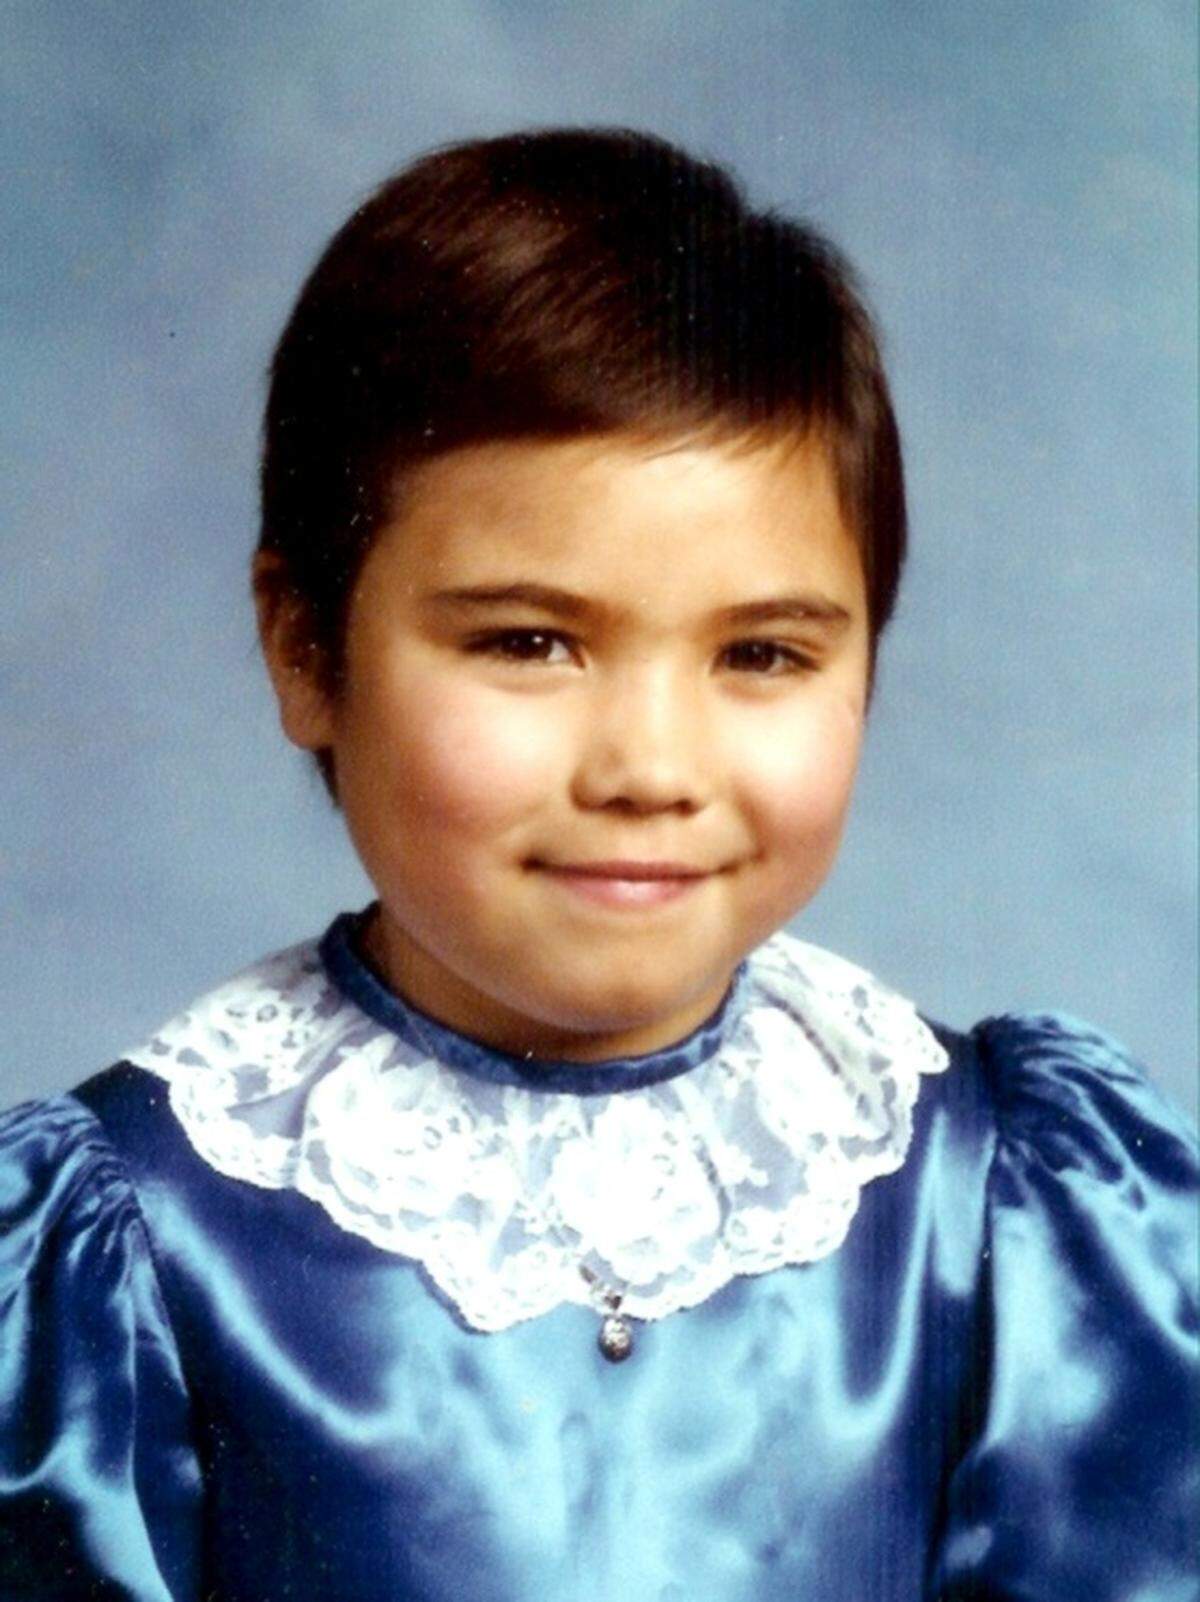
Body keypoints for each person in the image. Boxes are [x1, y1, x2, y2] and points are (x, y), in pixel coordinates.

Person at [0, 128, 1195, 1602]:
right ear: (306, 649)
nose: (648, 764)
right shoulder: (131, 1248)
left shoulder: (1008, 1213)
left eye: (761, 653)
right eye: (529, 642)